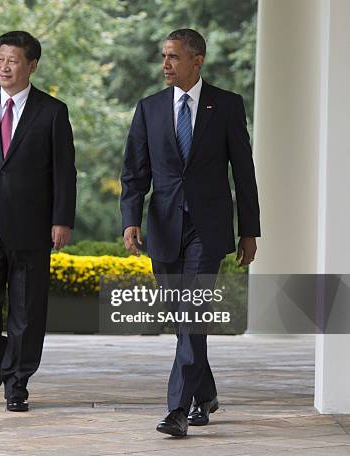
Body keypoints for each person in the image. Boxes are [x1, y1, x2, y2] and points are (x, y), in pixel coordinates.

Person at [120, 28, 260, 436]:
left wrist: (248, 230)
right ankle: (206, 392)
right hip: (163, 228)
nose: (165, 64)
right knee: (183, 316)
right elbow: (134, 173)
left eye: (174, 57)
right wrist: (130, 219)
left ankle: (178, 410)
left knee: (193, 310)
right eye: (164, 56)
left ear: (197, 60)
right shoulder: (148, 109)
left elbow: (244, 174)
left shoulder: (228, 106)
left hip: (208, 227)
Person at [0, 31, 77, 412]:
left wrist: (61, 220)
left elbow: (64, 172)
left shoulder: (52, 111)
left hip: (33, 226)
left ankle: (17, 384)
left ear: (32, 66)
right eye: (0, 58)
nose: (3, 66)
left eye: (13, 60)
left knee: (27, 311)